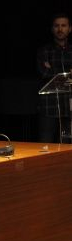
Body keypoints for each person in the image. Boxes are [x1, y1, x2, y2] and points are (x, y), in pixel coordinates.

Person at [36, 12, 72, 143]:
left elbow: (51, 72)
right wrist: (68, 75)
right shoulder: (44, 50)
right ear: (52, 29)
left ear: (69, 28)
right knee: (46, 144)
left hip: (69, 105)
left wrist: (53, 69)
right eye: (57, 26)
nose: (60, 29)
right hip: (49, 105)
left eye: (64, 25)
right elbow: (44, 73)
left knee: (68, 145)